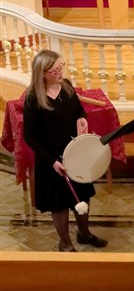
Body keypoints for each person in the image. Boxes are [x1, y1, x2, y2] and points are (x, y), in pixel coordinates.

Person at [23, 49, 107, 252]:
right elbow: (30, 137)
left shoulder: (66, 87)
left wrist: (82, 118)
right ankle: (65, 242)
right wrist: (52, 161)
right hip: (51, 159)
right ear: (42, 73)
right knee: (59, 203)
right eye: (56, 70)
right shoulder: (33, 99)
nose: (61, 73)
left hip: (74, 154)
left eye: (62, 67)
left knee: (82, 196)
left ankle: (84, 233)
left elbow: (79, 109)